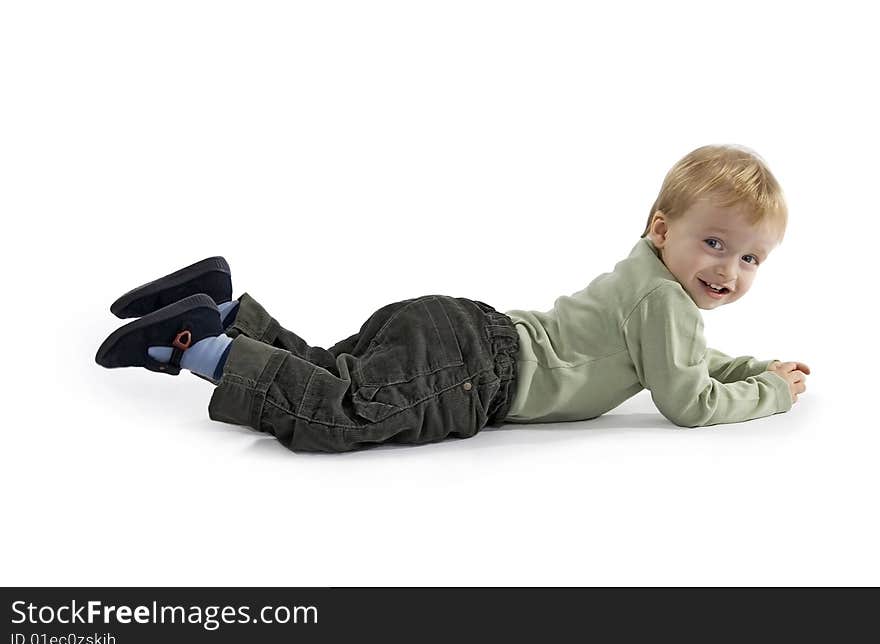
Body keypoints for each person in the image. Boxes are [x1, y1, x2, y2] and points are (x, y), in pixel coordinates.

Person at [96, 144, 810, 452]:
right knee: (342, 414)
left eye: (751, 257)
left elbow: (683, 360)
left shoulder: (647, 276)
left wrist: (751, 365)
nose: (730, 270)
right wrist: (769, 394)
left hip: (464, 326)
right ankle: (199, 347)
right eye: (715, 244)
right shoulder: (668, 305)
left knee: (325, 370)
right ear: (662, 228)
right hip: (478, 377)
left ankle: (219, 307)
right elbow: (687, 399)